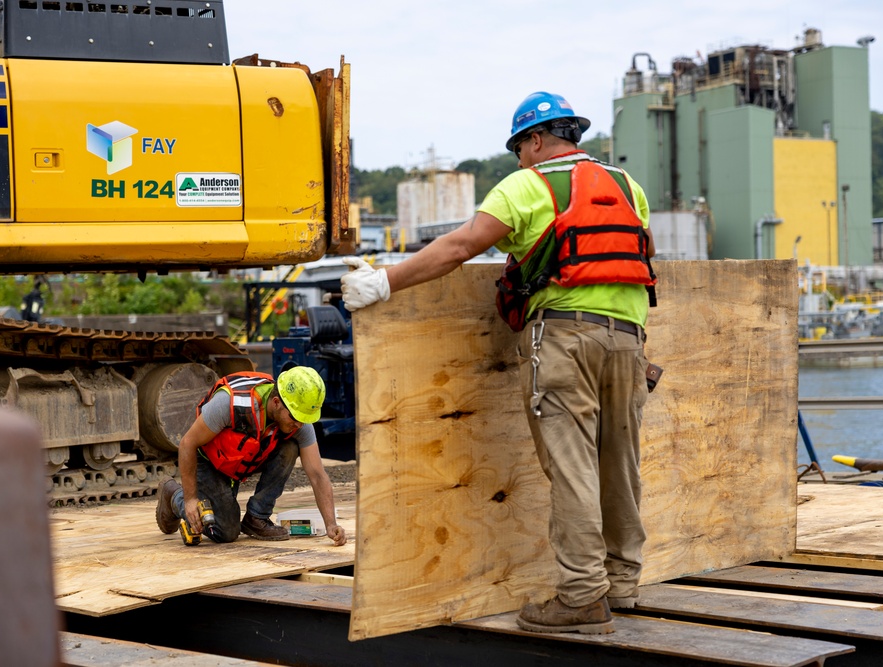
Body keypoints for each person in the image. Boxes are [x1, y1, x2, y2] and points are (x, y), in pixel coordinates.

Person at [340, 91, 656, 635]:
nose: (518, 160)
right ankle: (622, 584)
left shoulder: (526, 186)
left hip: (564, 339)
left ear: (535, 141)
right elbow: (633, 261)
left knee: (573, 466)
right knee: (619, 463)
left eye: (518, 149)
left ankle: (582, 595)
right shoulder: (629, 187)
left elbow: (461, 246)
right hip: (629, 340)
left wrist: (382, 282)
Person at [156, 366, 347, 547]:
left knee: (290, 447)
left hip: (241, 461)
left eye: (304, 419)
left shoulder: (297, 421)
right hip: (210, 461)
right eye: (295, 418)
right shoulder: (230, 403)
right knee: (226, 532)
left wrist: (331, 524)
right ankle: (174, 495)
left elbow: (317, 474)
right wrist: (190, 500)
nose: (299, 425)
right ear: (276, 402)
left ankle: (257, 517)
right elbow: (187, 444)